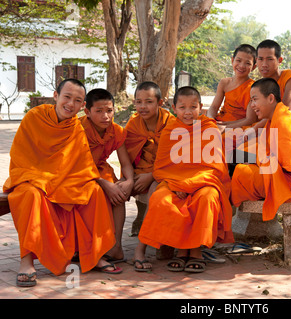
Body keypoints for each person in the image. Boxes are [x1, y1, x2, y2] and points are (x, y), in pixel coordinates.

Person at [4, 79, 121, 287]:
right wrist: (44, 179)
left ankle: (95, 255)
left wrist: (99, 182)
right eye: (67, 97)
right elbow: (21, 156)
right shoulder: (34, 117)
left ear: (82, 106)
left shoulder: (75, 126)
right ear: (56, 96)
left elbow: (82, 164)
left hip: (62, 178)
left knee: (93, 191)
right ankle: (26, 260)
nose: (71, 104)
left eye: (77, 100)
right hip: (31, 176)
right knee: (30, 194)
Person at [135, 86, 234, 273]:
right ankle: (181, 248)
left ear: (201, 107)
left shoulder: (209, 128)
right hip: (174, 183)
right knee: (160, 199)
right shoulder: (170, 129)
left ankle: (194, 251)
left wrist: (191, 185)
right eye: (182, 107)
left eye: (193, 107)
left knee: (206, 198)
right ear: (174, 108)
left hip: (204, 183)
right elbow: (162, 166)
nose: (188, 112)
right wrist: (176, 185)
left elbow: (216, 166)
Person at [231, 78, 291, 221]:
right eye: (251, 101)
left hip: (289, 185)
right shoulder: (276, 118)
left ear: (271, 98)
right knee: (233, 158)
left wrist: (253, 158)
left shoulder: (285, 121)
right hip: (276, 175)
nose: (252, 105)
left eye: (255, 100)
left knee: (239, 172)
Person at [80, 88, 134, 263]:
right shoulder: (78, 129)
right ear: (87, 112)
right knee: (97, 192)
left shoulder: (116, 130)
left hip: (101, 168)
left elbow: (125, 163)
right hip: (78, 171)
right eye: (99, 111)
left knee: (118, 193)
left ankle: (116, 246)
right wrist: (103, 183)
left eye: (109, 111)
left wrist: (129, 181)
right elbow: (77, 163)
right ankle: (89, 246)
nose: (105, 116)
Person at [124, 82, 173, 237]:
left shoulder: (171, 124)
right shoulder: (133, 123)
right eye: (139, 102)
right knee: (118, 190)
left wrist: (152, 175)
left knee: (156, 188)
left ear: (160, 102)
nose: (143, 106)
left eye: (149, 102)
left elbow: (174, 159)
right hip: (141, 169)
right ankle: (138, 217)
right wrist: (129, 178)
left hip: (165, 171)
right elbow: (127, 152)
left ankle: (154, 233)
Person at [256, 39, 291, 124]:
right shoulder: (261, 85)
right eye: (260, 59)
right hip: (270, 128)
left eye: (270, 59)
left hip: (290, 130)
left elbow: (285, 110)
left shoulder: (290, 77)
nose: (264, 64)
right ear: (256, 60)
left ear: (279, 60)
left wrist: (255, 128)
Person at [207, 44, 258, 129]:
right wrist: (210, 120)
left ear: (254, 67)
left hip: (238, 127)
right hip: (220, 121)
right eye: (238, 60)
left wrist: (225, 126)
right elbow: (214, 107)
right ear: (232, 60)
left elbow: (250, 119)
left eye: (248, 63)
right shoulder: (224, 83)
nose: (241, 66)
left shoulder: (254, 88)